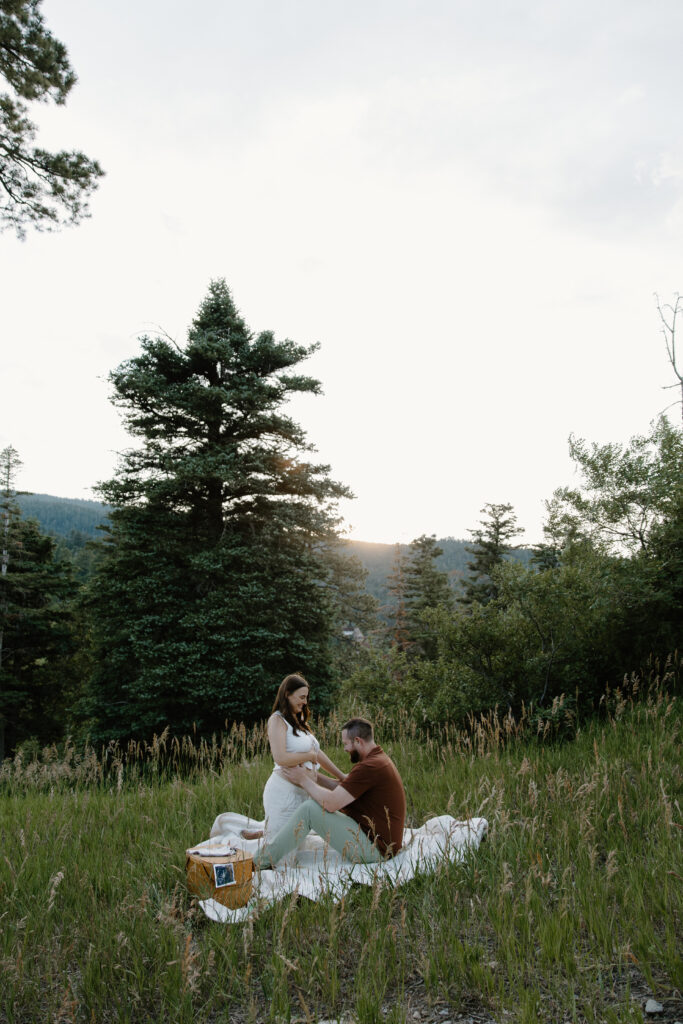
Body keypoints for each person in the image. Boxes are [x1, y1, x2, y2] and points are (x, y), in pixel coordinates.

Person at [253, 717, 406, 869]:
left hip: (376, 851)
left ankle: (259, 862)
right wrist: (309, 774)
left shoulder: (371, 767)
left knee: (309, 810)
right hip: (377, 841)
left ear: (358, 741)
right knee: (312, 807)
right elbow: (340, 788)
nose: (345, 749)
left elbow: (332, 803)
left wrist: (302, 780)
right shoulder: (377, 760)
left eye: (346, 744)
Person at [242, 673, 346, 840]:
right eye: (301, 697)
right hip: (284, 794)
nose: (305, 702)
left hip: (303, 793)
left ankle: (265, 833)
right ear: (287, 694)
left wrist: (341, 776)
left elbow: (317, 753)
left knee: (297, 845)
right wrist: (309, 755)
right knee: (283, 852)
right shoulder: (277, 720)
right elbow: (280, 758)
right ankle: (258, 839)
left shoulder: (299, 721)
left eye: (306, 698)